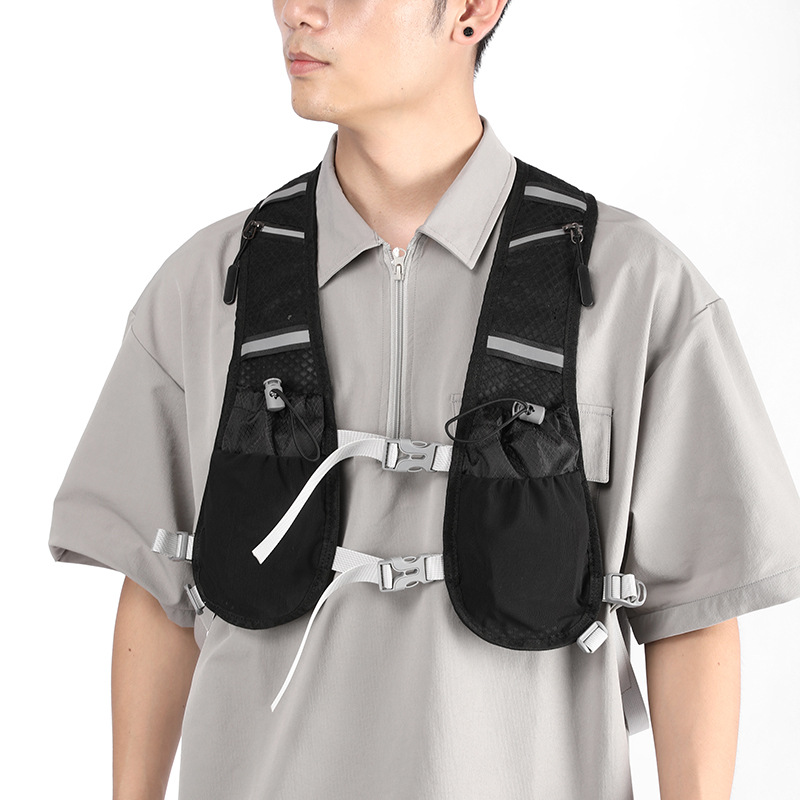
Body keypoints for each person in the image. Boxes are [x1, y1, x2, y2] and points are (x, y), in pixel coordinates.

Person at [47, 1, 800, 798]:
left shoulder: (635, 292)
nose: (296, 11)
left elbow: (691, 613)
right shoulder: (206, 289)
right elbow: (161, 592)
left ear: (472, 10)